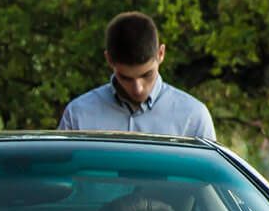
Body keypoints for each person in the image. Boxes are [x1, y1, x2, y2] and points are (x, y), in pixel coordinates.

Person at [58, 11, 216, 140]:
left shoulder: (193, 118)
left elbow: (209, 178)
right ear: (109, 60)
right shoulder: (78, 115)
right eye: (126, 78)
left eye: (147, 75)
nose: (138, 88)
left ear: (161, 54)